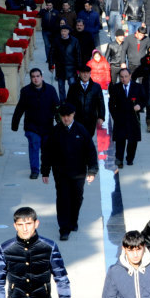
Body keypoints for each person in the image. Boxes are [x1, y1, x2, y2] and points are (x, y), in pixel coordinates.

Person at [41, 102, 98, 240]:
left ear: (73, 115)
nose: (66, 119)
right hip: (60, 172)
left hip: (78, 172)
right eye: (63, 116)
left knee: (77, 197)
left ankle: (73, 220)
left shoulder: (81, 130)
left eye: (68, 116)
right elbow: (47, 152)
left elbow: (90, 151)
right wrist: (45, 171)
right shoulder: (55, 132)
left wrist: (92, 171)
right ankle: (64, 228)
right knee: (63, 199)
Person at [11, 68, 60, 179]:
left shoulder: (51, 90)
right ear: (31, 78)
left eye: (38, 76)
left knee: (46, 149)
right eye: (33, 77)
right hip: (32, 126)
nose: (36, 79)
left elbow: (57, 107)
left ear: (42, 77)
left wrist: (60, 123)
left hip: (47, 126)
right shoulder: (26, 91)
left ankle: (45, 168)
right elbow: (20, 109)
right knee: (34, 146)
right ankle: (35, 170)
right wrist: (15, 124)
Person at [108, 68, 146, 168]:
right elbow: (111, 104)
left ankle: (130, 158)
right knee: (120, 140)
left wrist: (140, 106)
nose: (124, 79)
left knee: (132, 140)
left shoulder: (137, 87)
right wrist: (115, 116)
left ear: (130, 76)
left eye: (126, 76)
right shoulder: (116, 88)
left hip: (133, 117)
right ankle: (119, 159)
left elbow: (144, 100)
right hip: (120, 117)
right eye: (121, 77)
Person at [66, 65, 105, 137]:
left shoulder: (96, 87)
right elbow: (69, 102)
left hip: (91, 119)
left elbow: (100, 102)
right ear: (79, 73)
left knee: (88, 139)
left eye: (87, 72)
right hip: (77, 119)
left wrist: (101, 117)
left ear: (90, 74)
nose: (85, 74)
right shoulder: (73, 87)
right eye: (83, 72)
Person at [49, 24, 81, 103]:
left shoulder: (74, 41)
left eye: (65, 31)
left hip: (71, 67)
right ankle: (62, 102)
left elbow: (78, 54)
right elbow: (52, 53)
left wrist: (79, 67)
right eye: (62, 31)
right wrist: (51, 64)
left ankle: (72, 101)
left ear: (68, 32)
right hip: (60, 67)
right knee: (61, 86)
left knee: (72, 86)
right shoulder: (56, 41)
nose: (63, 33)